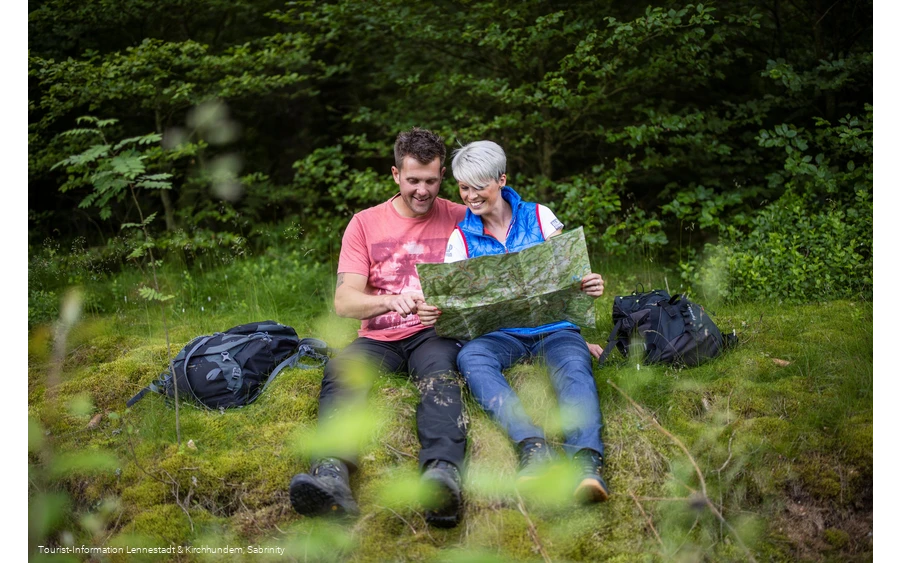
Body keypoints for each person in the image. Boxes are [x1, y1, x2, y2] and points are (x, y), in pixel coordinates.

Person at [288, 127, 469, 527]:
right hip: (379, 338)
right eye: (413, 180)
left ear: (443, 176)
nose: (422, 190)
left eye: (431, 181)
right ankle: (331, 476)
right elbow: (344, 301)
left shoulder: (461, 217)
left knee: (441, 375)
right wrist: (389, 301)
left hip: (435, 334)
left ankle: (441, 477)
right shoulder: (365, 224)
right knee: (342, 371)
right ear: (395, 174)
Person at [436, 139, 610, 504]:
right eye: (464, 188)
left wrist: (588, 285)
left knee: (574, 366)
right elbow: (455, 304)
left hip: (555, 328)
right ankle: (532, 447)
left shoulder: (539, 216)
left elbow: (571, 275)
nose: (471, 196)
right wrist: (439, 308)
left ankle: (585, 463)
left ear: (501, 180)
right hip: (500, 335)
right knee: (471, 357)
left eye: (479, 186)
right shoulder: (460, 238)